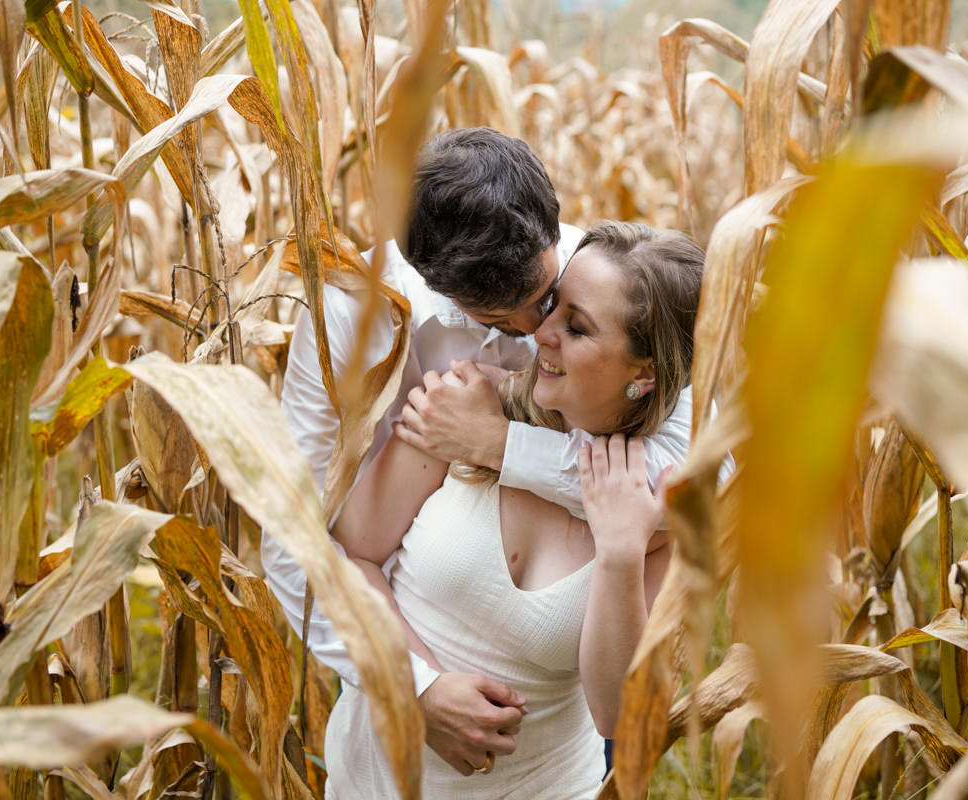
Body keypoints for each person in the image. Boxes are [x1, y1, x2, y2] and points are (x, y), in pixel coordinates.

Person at [260, 129, 699, 773]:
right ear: (434, 282)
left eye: (552, 305)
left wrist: (502, 444)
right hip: (395, 666)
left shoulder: (603, 279)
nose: (538, 333)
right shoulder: (349, 320)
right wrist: (411, 689)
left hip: (563, 731)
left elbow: (690, 482)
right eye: (501, 320)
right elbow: (302, 542)